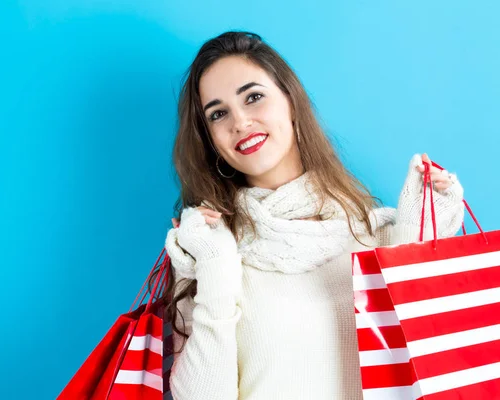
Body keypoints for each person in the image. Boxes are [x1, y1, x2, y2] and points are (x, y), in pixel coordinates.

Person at [162, 31, 464, 400]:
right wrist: (215, 266)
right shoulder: (207, 251)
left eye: (253, 97)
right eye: (218, 113)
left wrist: (419, 238)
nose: (239, 122)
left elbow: (424, 368)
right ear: (210, 139)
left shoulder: (379, 235)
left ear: (290, 101)